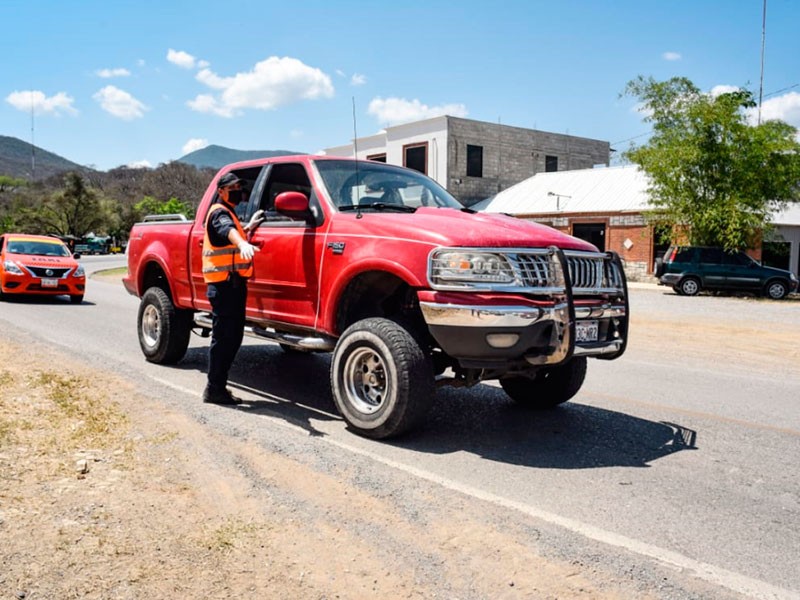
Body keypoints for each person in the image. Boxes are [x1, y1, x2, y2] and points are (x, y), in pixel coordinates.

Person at [201, 172, 264, 404]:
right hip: (224, 286)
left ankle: (218, 387)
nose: (238, 190)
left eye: (239, 186)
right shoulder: (218, 212)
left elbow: (232, 231)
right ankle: (213, 389)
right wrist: (242, 242)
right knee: (224, 338)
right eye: (233, 187)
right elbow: (226, 230)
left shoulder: (230, 213)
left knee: (232, 337)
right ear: (221, 191)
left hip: (233, 285)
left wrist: (249, 227)